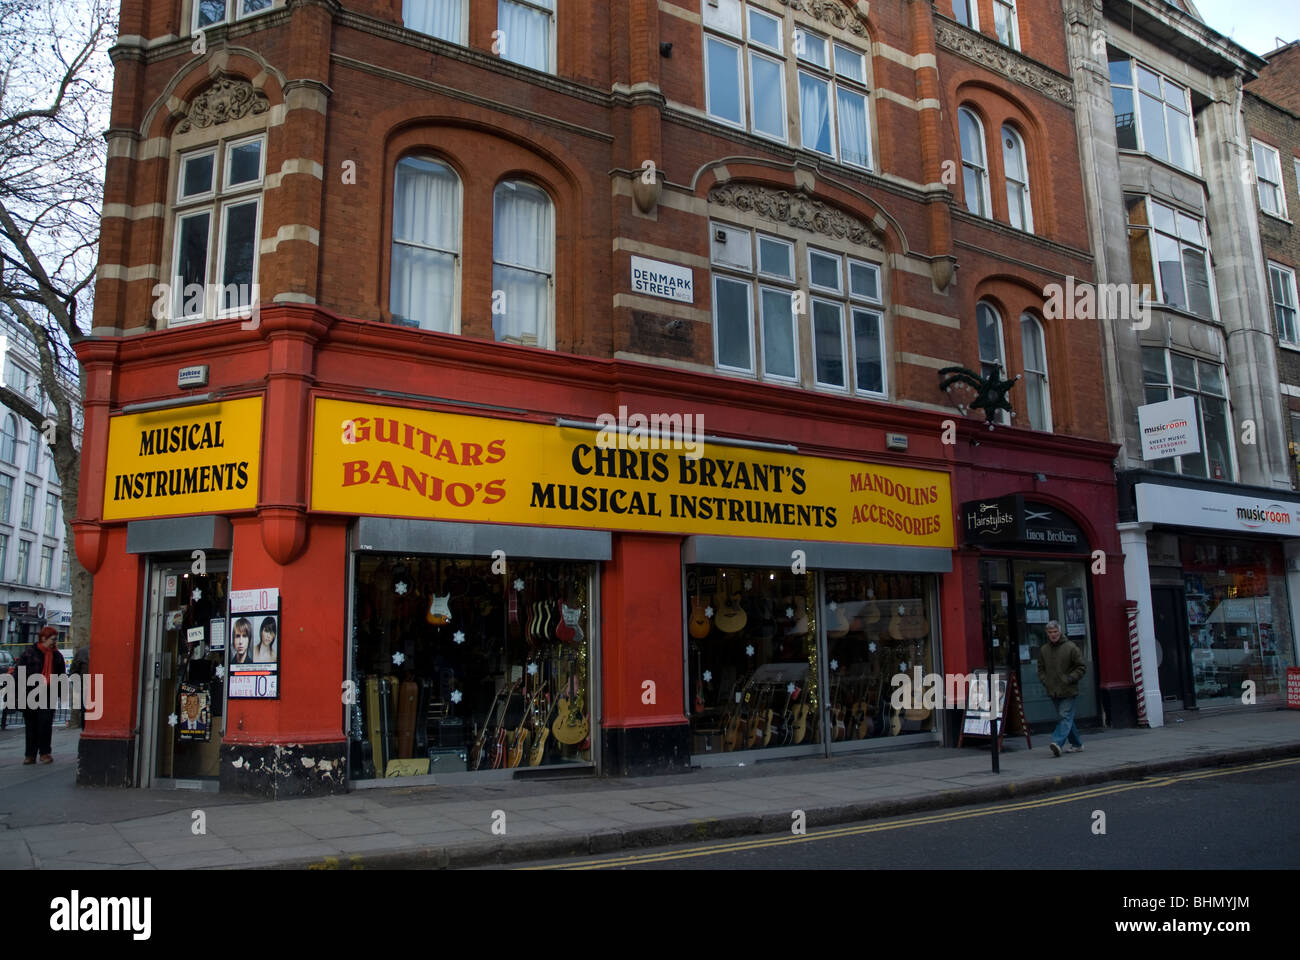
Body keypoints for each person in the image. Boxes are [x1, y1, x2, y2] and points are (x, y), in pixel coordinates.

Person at [10, 626, 66, 764]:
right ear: (43, 638)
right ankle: (30, 754)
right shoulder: (29, 653)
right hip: (30, 693)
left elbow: (61, 675)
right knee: (31, 724)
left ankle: (45, 752)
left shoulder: (57, 655)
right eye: (52, 639)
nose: (54, 642)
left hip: (48, 692)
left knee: (45, 723)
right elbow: (19, 673)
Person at [1037, 620, 1085, 757]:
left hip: (1069, 689)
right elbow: (1040, 669)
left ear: (1060, 631)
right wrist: (1045, 681)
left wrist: (1070, 678)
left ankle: (1057, 742)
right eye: (1050, 632)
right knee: (1066, 717)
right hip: (1053, 690)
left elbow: (1081, 667)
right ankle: (1077, 744)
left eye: (1055, 632)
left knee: (1064, 716)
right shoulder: (1044, 650)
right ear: (1047, 633)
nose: (1053, 635)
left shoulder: (1071, 647)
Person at [69, 640, 90, 729]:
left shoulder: (82, 652)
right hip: (86, 687)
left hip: (85, 687)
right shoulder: (83, 652)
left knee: (85, 714)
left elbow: (73, 672)